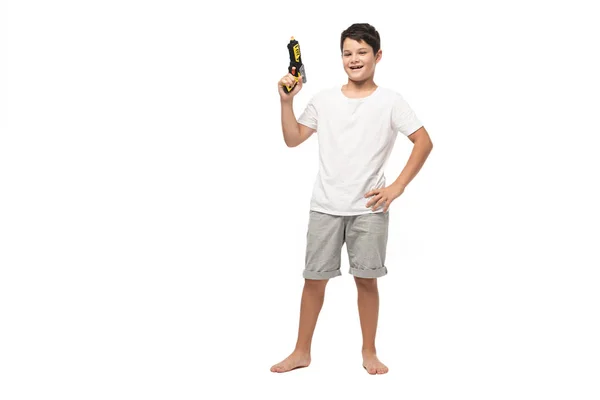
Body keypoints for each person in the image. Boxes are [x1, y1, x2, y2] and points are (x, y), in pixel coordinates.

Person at [271, 23, 433, 375]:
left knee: (366, 280)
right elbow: (293, 138)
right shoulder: (324, 100)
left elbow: (424, 142)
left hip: (368, 209)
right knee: (313, 280)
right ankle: (301, 351)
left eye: (362, 52)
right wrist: (287, 101)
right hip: (324, 206)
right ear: (340, 57)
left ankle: (369, 352)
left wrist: (397, 187)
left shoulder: (391, 101)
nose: (354, 59)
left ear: (377, 56)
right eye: (347, 53)